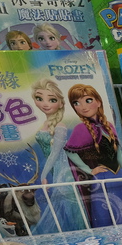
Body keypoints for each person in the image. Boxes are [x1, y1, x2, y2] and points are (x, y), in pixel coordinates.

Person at [64, 84, 122, 226]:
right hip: (102, 178)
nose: (83, 107)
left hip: (119, 175)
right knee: (106, 215)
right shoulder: (81, 128)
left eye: (88, 100)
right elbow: (70, 152)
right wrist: (89, 170)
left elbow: (118, 153)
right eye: (76, 103)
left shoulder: (108, 125)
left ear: (98, 102)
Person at [31, 78, 85, 233]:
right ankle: (72, 233)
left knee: (70, 205)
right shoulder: (44, 125)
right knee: (63, 204)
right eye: (39, 98)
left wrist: (44, 175)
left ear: (61, 104)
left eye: (52, 100)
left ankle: (80, 232)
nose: (45, 104)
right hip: (55, 169)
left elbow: (55, 152)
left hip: (64, 170)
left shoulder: (60, 126)